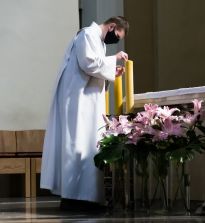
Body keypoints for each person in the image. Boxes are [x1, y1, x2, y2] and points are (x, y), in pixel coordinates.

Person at [40, 16, 129, 209]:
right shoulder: (88, 34)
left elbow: (96, 68)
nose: (116, 41)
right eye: (117, 36)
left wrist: (111, 72)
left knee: (88, 144)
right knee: (77, 143)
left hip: (86, 100)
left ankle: (84, 197)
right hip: (77, 100)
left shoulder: (97, 40)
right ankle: (75, 198)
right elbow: (88, 63)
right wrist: (113, 59)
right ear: (112, 26)